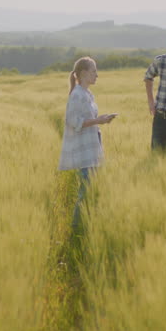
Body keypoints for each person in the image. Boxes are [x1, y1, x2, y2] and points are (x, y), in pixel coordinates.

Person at [59, 57, 116, 234]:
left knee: (91, 188)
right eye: (93, 71)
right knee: (86, 189)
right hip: (85, 152)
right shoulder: (77, 94)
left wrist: (101, 119)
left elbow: (86, 119)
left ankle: (86, 222)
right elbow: (72, 121)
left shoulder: (87, 94)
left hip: (92, 147)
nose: (97, 75)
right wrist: (98, 120)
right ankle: (77, 227)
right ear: (83, 74)